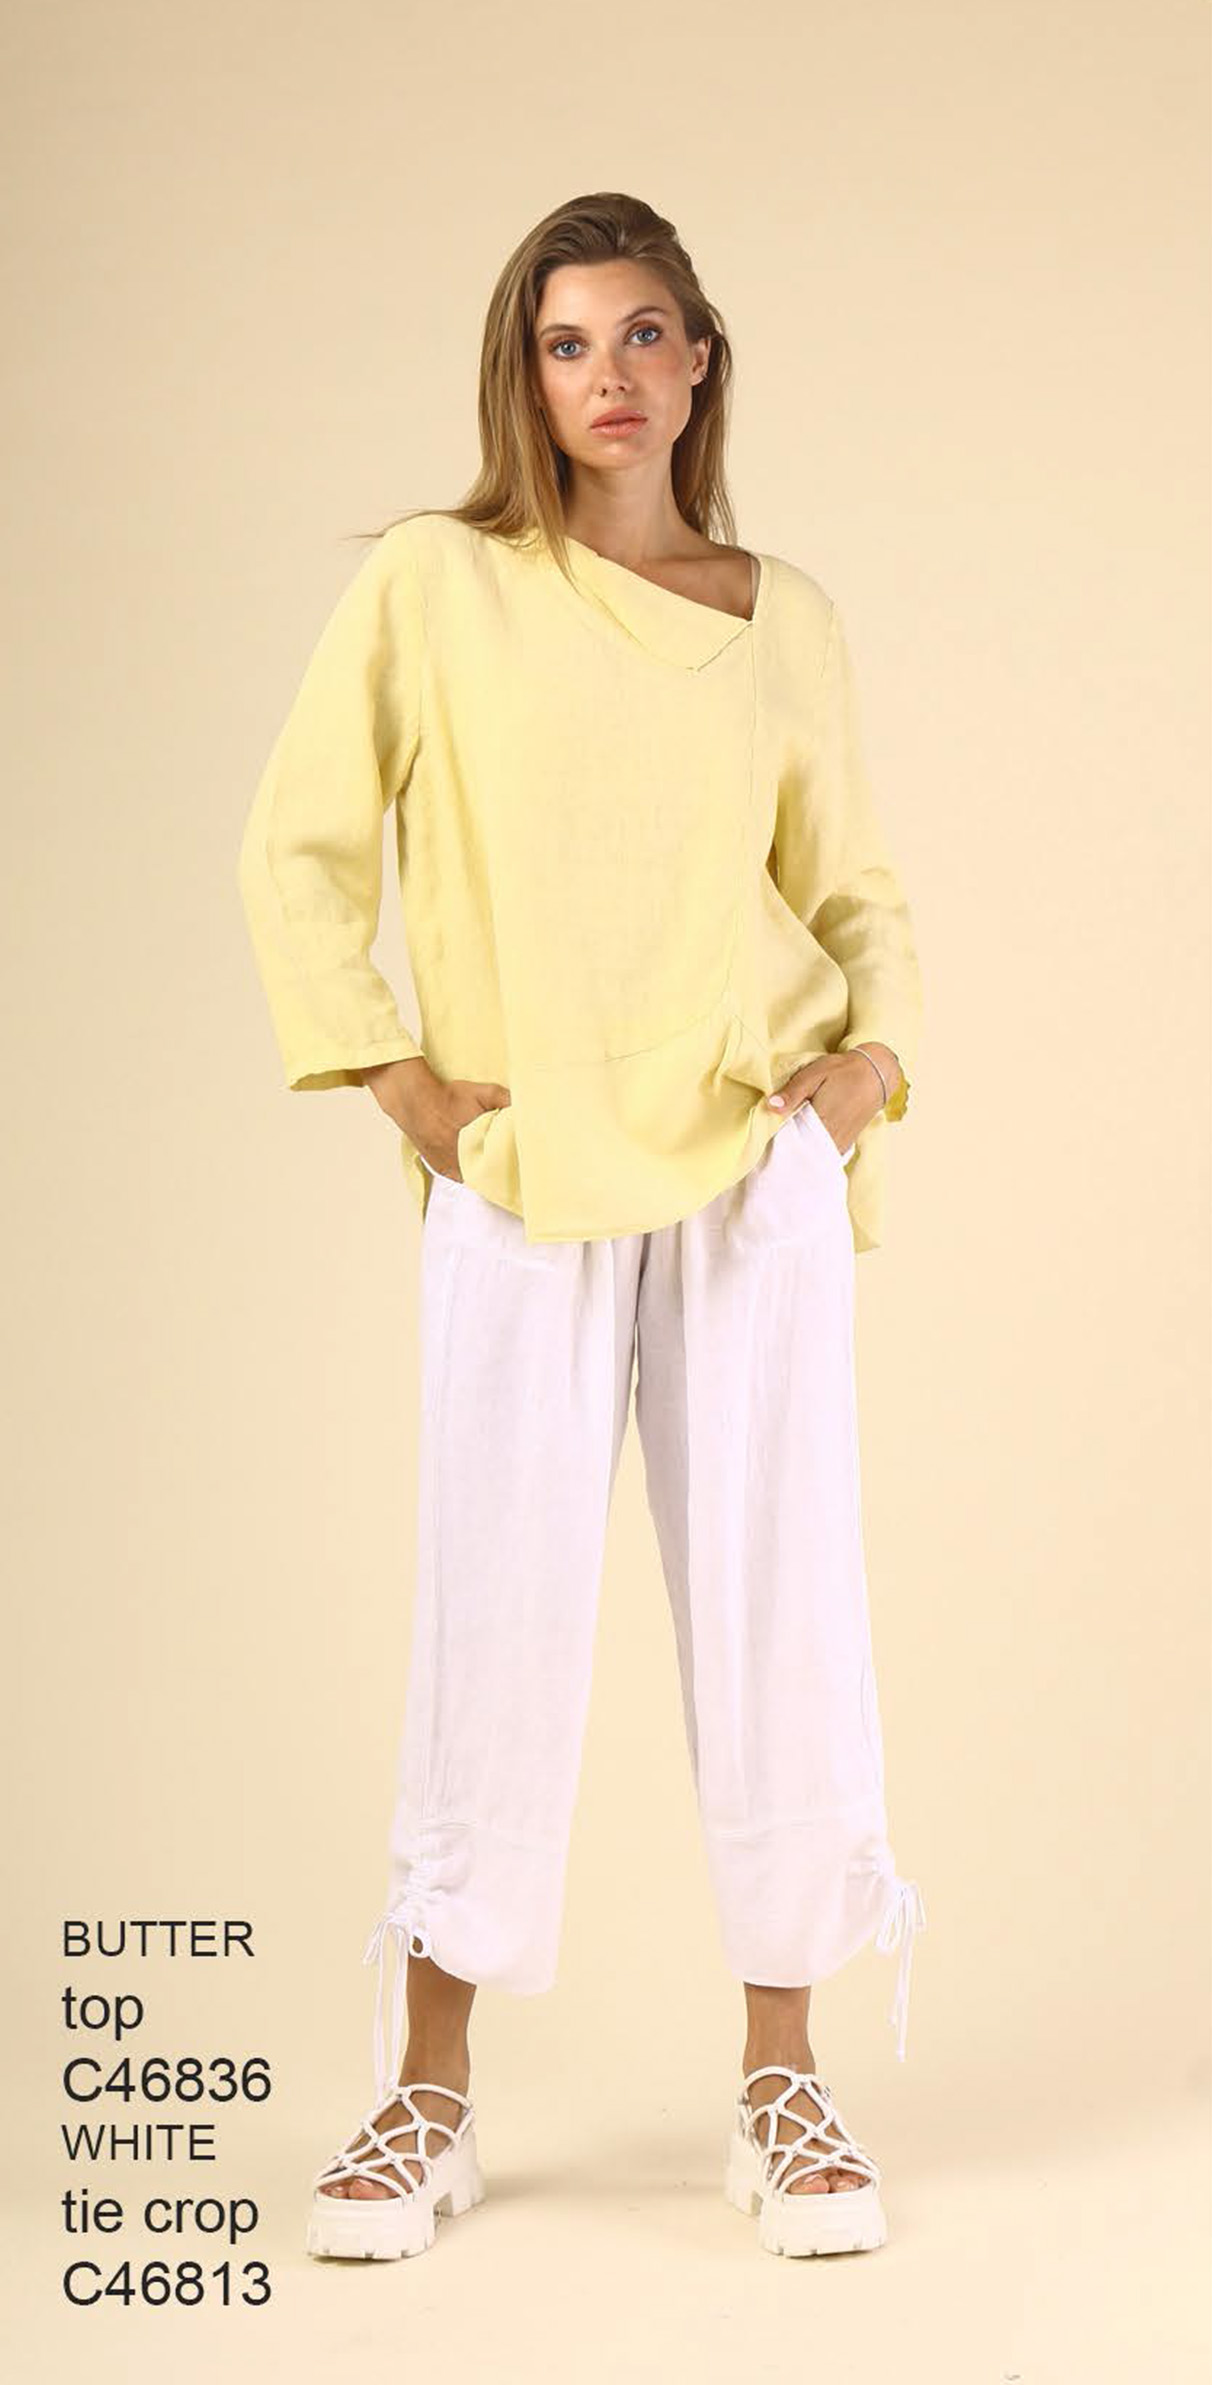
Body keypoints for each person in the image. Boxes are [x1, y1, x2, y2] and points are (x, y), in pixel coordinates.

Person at [237, 190, 926, 2265]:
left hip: (746, 1165)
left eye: (641, 334)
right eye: (565, 343)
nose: (606, 375)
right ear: (522, 378)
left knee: (782, 1604)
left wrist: (864, 1075)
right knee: (496, 1615)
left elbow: (856, 890)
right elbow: (298, 843)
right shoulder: (440, 586)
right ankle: (425, 2096)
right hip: (525, 1166)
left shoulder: (781, 614)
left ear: (699, 360)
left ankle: (784, 2087)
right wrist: (400, 1082)